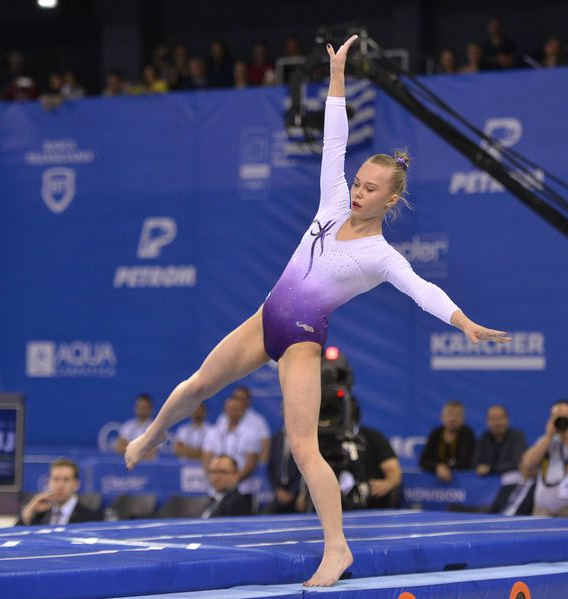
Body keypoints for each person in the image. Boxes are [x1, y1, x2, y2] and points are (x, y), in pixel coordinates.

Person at [124, 35, 510, 587]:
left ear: (390, 201)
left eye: (371, 188)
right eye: (358, 182)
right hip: (265, 319)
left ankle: (337, 548)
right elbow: (336, 139)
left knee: (304, 447)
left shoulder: (380, 256)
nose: (358, 191)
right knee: (195, 386)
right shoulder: (332, 199)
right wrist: (335, 76)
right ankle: (157, 432)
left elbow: (423, 288)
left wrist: (463, 321)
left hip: (301, 339)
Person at [202, 395, 262, 490]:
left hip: (241, 488)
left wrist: (233, 480)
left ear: (242, 412)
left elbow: (251, 464)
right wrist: (214, 478)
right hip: (215, 488)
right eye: (230, 409)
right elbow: (206, 459)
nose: (233, 412)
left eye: (236, 409)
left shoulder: (251, 434)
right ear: (225, 410)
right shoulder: (213, 433)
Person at [18, 458, 102, 525]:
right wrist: (28, 512)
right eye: (56, 479)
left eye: (66, 480)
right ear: (48, 482)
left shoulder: (91, 518)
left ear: (76, 484)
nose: (60, 485)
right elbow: (15, 537)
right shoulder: (39, 514)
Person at [419, 400, 476, 482]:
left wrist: (448, 470)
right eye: (449, 415)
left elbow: (467, 462)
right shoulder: (436, 434)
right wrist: (437, 467)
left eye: (457, 415)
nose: (453, 419)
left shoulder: (468, 434)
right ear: (442, 417)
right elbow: (423, 461)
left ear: (463, 419)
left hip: (462, 483)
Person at [214, 385, 271, 463]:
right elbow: (214, 440)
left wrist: (261, 466)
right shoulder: (223, 418)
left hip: (248, 467)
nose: (239, 401)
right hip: (224, 465)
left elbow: (265, 446)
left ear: (248, 400)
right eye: (236, 398)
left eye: (242, 399)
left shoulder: (258, 420)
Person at [473, 404, 527, 477]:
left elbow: (517, 463)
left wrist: (490, 469)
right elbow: (476, 462)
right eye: (492, 419)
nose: (496, 423)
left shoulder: (517, 437)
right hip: (486, 484)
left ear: (507, 420)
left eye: (500, 418)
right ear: (487, 421)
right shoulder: (484, 437)